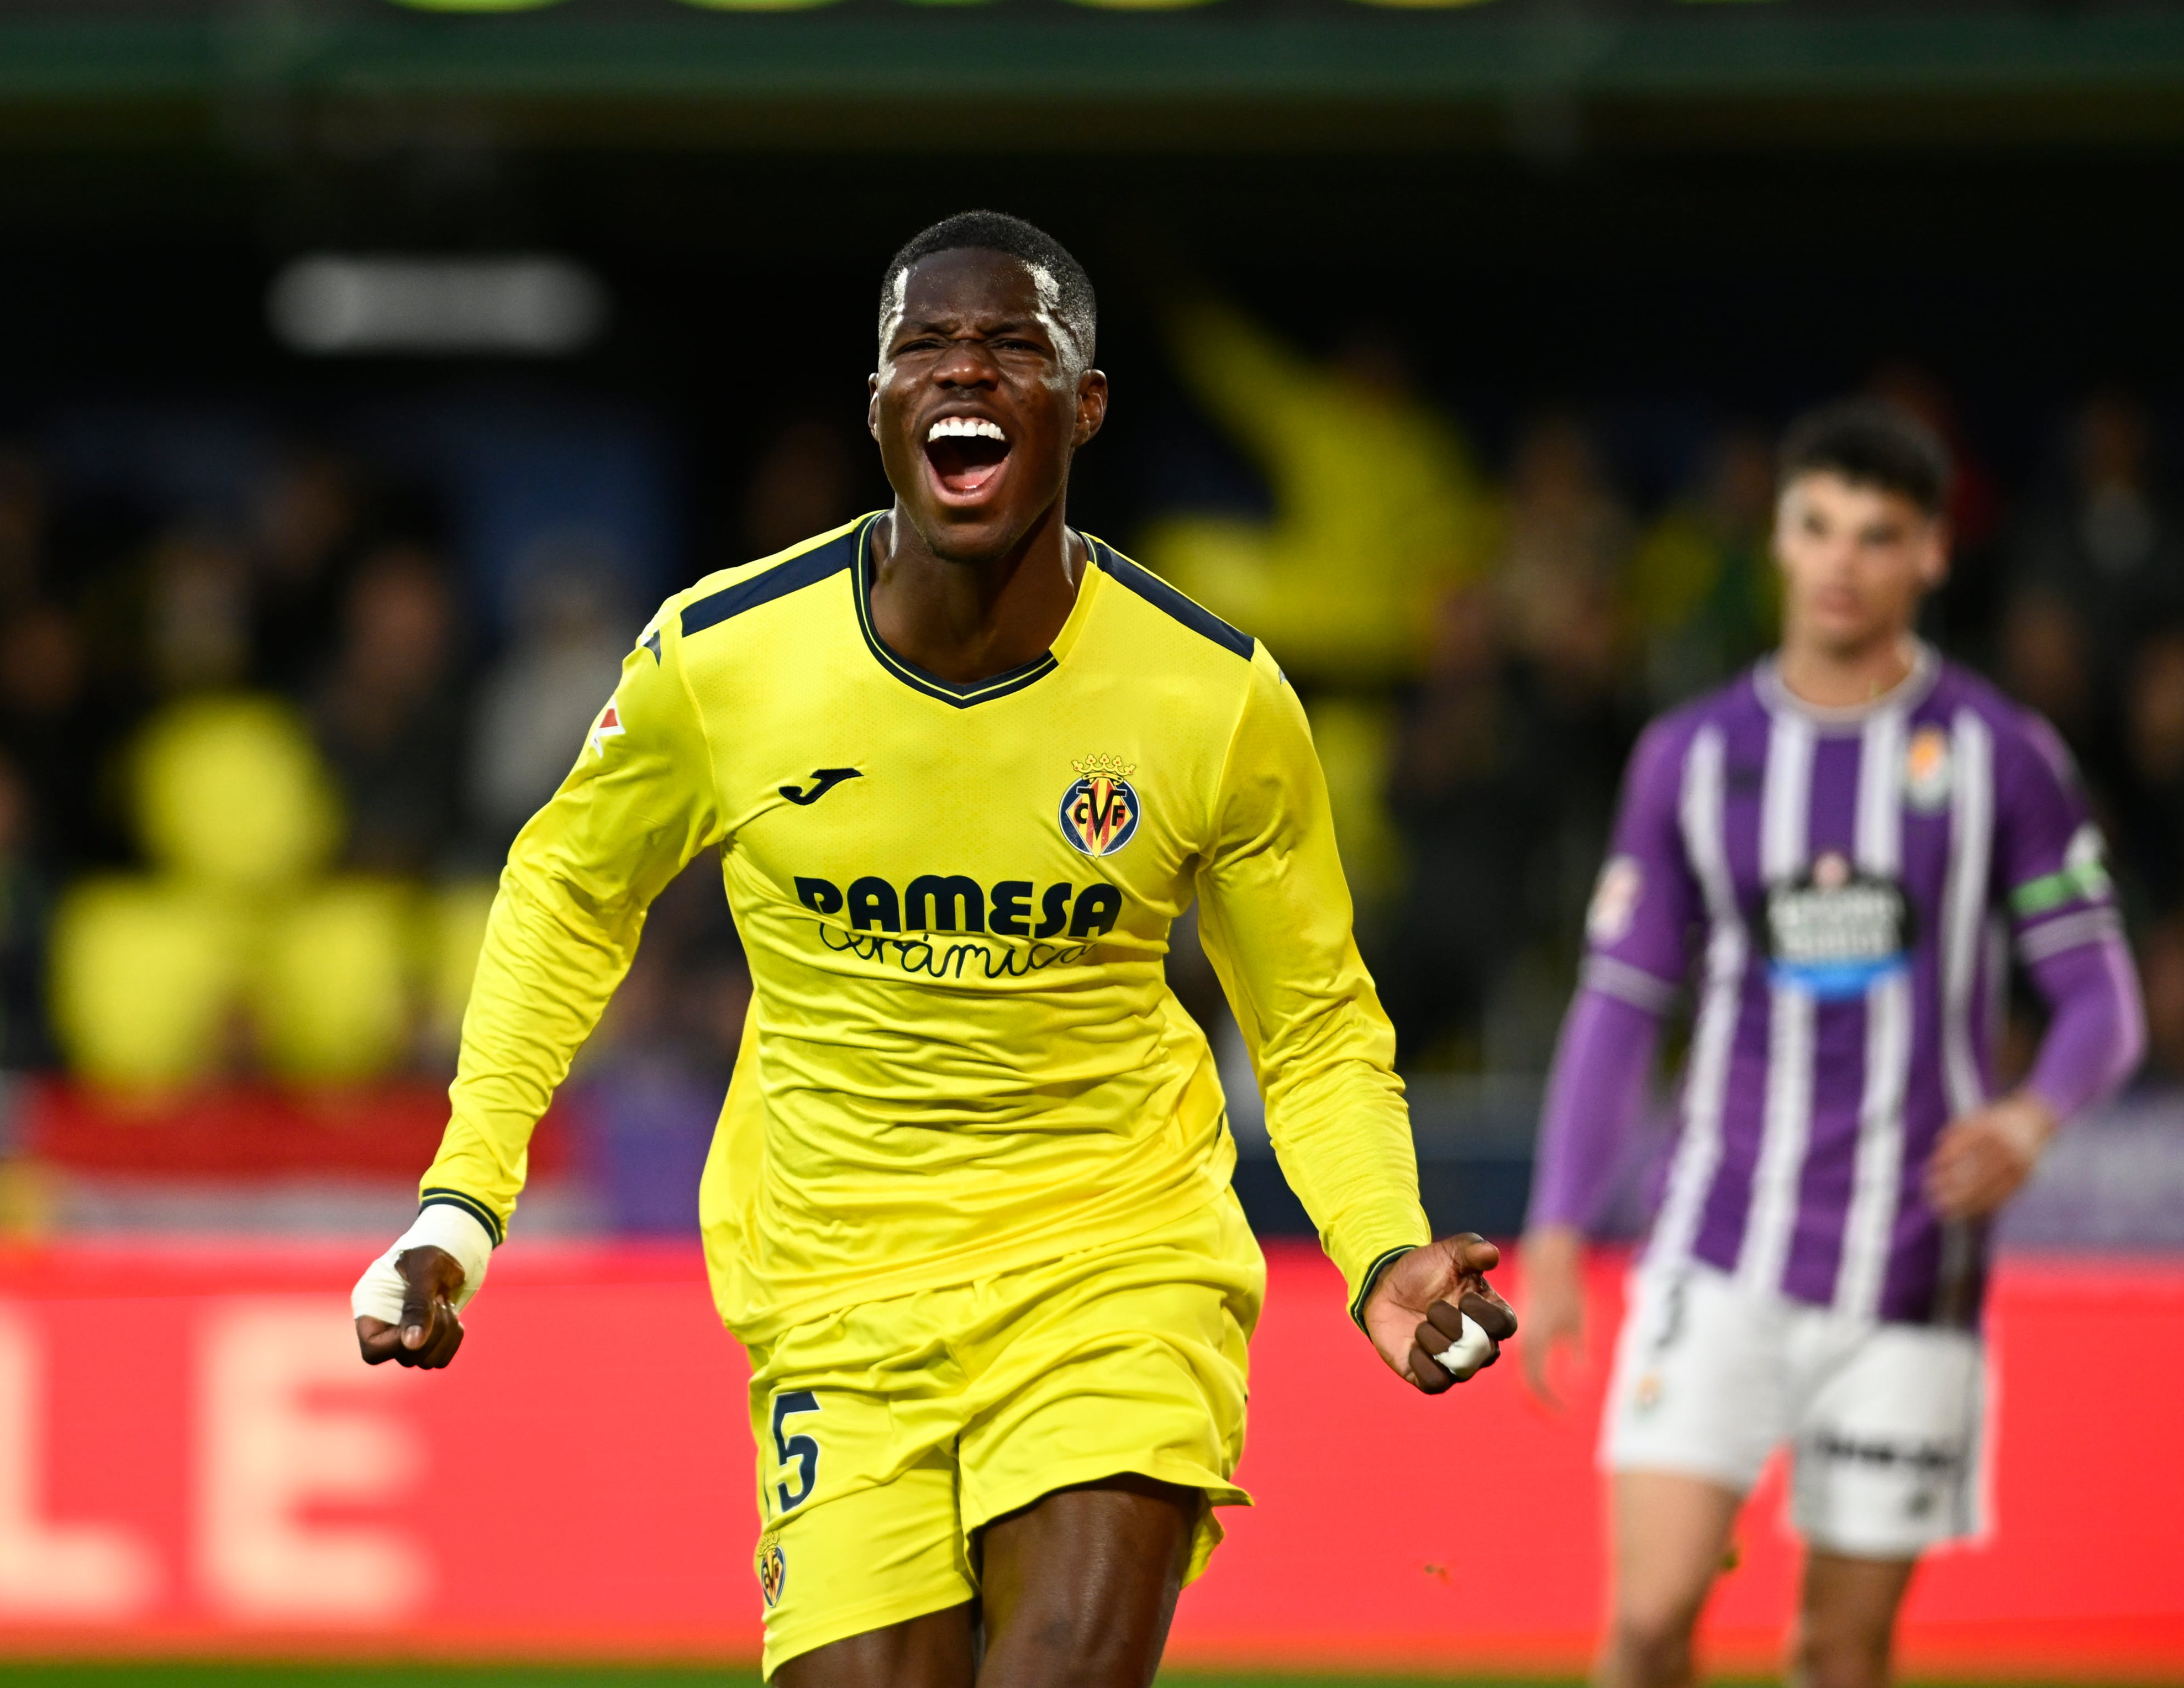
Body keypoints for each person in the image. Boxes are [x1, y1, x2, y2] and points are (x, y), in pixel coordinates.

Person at [349, 210, 1517, 1686]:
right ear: (882, 407)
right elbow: (564, 895)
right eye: (924, 347)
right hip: (834, 1299)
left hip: (1113, 1265)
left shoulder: (1211, 698)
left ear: (1083, 406)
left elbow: (1313, 1025)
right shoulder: (720, 661)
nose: (964, 369)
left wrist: (1378, 1251)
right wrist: (463, 1205)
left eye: (1013, 346)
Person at [1515, 400, 2146, 1688]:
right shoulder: (1689, 757)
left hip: (1913, 1278)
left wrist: (2031, 1118)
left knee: (1841, 1652)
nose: (1842, 558)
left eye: (1878, 533)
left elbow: (2100, 998)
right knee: (1646, 1616)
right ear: (1778, 540)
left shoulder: (1999, 758)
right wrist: (1558, 1225)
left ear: (1930, 556)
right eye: (1816, 527)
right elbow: (1619, 1003)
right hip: (1718, 1251)